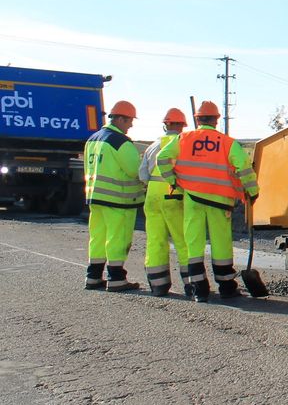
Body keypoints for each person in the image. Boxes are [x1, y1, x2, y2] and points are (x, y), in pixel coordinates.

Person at [156, 101, 258, 302]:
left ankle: (199, 290)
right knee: (221, 244)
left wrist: (173, 181)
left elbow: (162, 158)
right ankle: (227, 287)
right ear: (216, 119)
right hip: (220, 201)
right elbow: (244, 167)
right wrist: (253, 191)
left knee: (194, 244)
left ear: (197, 119)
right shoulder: (227, 143)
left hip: (193, 200)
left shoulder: (183, 138)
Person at [83, 100, 145, 292]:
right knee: (118, 238)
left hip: (96, 197)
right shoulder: (120, 142)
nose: (131, 125)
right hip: (118, 199)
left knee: (97, 237)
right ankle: (116, 278)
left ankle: (93, 276)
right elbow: (135, 171)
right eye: (130, 121)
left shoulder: (93, 139)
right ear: (120, 119)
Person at [139, 108, 190, 297]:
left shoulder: (153, 146)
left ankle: (158, 285)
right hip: (174, 194)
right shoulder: (183, 144)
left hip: (152, 197)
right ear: (182, 126)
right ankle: (192, 284)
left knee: (155, 240)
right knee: (183, 241)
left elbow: (142, 175)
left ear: (165, 125)